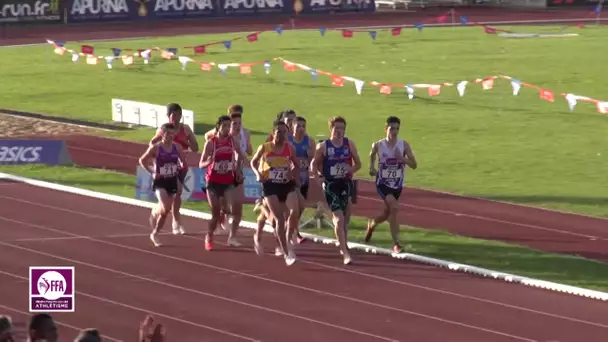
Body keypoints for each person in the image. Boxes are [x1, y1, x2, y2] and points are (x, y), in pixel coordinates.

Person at [311, 116, 361, 265]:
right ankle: (345, 251)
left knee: (345, 218)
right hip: (331, 184)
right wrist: (319, 180)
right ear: (331, 129)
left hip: (345, 183)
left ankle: (342, 243)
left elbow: (358, 164)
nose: (339, 131)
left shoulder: (349, 144)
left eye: (342, 129)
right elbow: (313, 165)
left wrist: (351, 169)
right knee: (339, 218)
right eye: (336, 128)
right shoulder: (324, 147)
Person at [250, 120, 300, 265]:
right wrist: (257, 174)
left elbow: (296, 165)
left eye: (284, 132)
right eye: (279, 131)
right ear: (273, 133)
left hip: (286, 185)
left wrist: (292, 173)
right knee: (279, 220)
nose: (282, 134)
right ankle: (286, 252)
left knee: (294, 211)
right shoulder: (265, 148)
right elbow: (253, 162)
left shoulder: (290, 149)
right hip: (270, 186)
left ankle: (288, 237)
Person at [366, 116, 417, 253]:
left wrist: (402, 159)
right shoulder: (378, 145)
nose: (394, 132)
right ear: (386, 129)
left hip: (397, 185)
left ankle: (372, 224)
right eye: (392, 129)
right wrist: (371, 167)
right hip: (382, 183)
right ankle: (396, 244)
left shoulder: (404, 145)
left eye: (397, 129)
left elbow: (414, 165)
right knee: (394, 208)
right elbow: (372, 154)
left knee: (387, 213)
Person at [149, 103, 199, 236]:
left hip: (180, 167)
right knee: (172, 198)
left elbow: (195, 148)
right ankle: (157, 211)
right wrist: (157, 159)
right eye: (174, 115)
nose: (176, 118)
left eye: (179, 115)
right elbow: (152, 144)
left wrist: (185, 143)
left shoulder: (186, 129)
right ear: (168, 116)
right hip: (166, 167)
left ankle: (176, 221)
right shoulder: (164, 130)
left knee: (177, 195)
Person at [199, 115, 246, 251]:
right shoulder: (211, 143)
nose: (227, 128)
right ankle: (209, 236)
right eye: (224, 125)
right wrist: (210, 161)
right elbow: (201, 164)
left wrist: (237, 168)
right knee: (215, 213)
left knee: (233, 209)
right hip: (213, 182)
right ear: (218, 126)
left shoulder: (232, 141)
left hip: (227, 182)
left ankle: (231, 234)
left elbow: (241, 156)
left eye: (228, 125)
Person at [140, 123, 189, 247]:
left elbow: (183, 163)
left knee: (165, 211)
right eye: (168, 133)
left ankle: (155, 233)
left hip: (172, 180)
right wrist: (152, 172)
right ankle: (154, 213)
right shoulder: (156, 148)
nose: (171, 136)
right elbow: (142, 160)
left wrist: (180, 172)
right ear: (162, 134)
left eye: (172, 134)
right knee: (166, 208)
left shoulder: (177, 147)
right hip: (160, 181)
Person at [204, 105, 248, 232]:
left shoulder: (245, 134)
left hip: (237, 173)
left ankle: (232, 236)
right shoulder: (219, 133)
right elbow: (208, 137)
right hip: (221, 174)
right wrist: (213, 153)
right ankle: (221, 216)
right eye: (234, 123)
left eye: (240, 122)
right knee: (223, 204)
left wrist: (242, 162)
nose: (237, 126)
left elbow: (246, 151)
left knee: (238, 205)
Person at [287, 115, 314, 244]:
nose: (301, 129)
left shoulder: (309, 142)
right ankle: (294, 233)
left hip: (304, 178)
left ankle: (289, 227)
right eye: (298, 126)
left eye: (304, 126)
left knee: (301, 207)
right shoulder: (287, 141)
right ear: (292, 127)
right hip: (290, 179)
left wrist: (309, 157)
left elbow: (311, 161)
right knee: (297, 206)